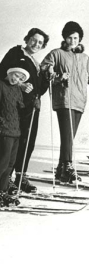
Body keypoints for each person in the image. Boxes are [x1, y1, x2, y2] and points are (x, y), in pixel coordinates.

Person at [41, 21, 89, 183]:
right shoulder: (56, 54)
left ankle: (61, 168)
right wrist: (55, 75)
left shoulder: (86, 59)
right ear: (65, 38)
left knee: (69, 137)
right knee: (67, 135)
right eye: (70, 37)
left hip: (80, 101)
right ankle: (67, 166)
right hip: (64, 99)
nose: (73, 41)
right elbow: (44, 68)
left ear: (80, 39)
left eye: (76, 38)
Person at [0, 28, 50, 193]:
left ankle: (21, 177)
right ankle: (8, 180)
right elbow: (2, 73)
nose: (36, 44)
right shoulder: (16, 52)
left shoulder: (35, 62)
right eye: (34, 40)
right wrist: (19, 84)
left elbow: (38, 89)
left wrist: (47, 77)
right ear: (27, 39)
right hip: (16, 107)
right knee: (15, 144)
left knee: (28, 143)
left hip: (32, 108)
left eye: (40, 43)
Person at [0, 60, 30, 206]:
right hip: (4, 130)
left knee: (10, 164)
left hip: (15, 131)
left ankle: (3, 192)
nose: (16, 79)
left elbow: (21, 109)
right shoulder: (1, 85)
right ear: (10, 72)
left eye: (20, 78)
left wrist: (32, 105)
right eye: (15, 75)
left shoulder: (17, 89)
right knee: (2, 164)